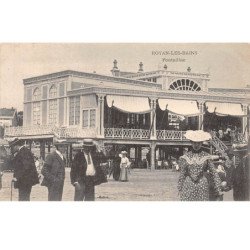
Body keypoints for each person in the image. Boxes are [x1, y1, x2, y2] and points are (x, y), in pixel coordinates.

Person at [178, 130, 222, 201]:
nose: (196, 145)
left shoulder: (206, 156)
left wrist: (218, 188)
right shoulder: (186, 156)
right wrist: (180, 188)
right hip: (188, 186)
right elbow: (182, 173)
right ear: (191, 142)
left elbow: (213, 172)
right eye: (194, 142)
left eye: (198, 143)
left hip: (202, 186)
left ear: (201, 143)